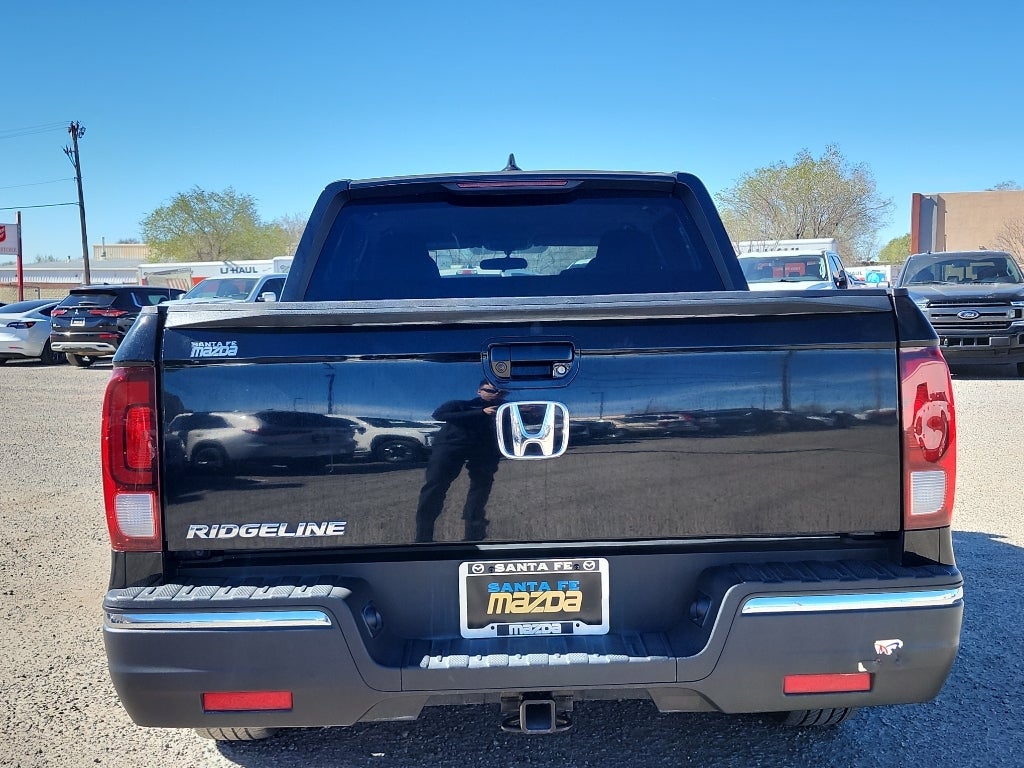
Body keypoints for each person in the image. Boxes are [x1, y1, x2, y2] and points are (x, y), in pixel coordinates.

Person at [415, 381, 506, 542]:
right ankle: (423, 531)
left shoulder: (506, 408)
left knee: (482, 484)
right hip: (451, 445)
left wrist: (529, 411)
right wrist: (481, 412)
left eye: (501, 392)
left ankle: (473, 522)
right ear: (479, 391)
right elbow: (439, 415)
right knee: (436, 484)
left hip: (484, 448)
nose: (496, 394)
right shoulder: (461, 404)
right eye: (491, 390)